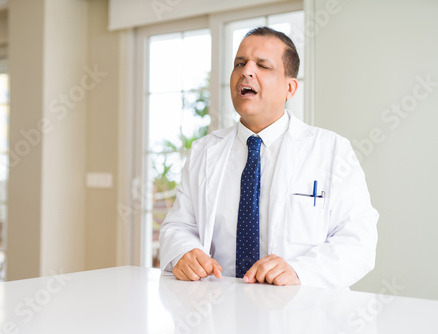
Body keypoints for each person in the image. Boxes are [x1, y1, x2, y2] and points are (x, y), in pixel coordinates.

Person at [159, 26, 378, 289]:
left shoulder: (331, 151)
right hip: (216, 309)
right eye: (240, 63)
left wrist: (299, 271)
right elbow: (179, 226)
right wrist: (184, 251)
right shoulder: (204, 151)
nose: (246, 71)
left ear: (290, 88)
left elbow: (359, 242)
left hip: (298, 313)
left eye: (262, 65)